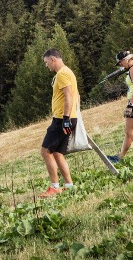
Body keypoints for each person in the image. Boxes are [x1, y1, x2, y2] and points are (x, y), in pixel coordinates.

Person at [39, 48, 79, 198]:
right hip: (67, 117)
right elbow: (77, 95)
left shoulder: (62, 74)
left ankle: (54, 186)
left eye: (46, 62)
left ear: (53, 59)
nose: (46, 65)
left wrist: (67, 119)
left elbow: (69, 96)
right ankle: (69, 185)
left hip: (62, 119)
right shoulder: (68, 72)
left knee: (45, 151)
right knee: (57, 152)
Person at [107, 51, 133, 163]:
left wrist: (130, 105)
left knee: (129, 131)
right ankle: (120, 157)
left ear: (125, 59)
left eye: (120, 62)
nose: (121, 65)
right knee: (129, 131)